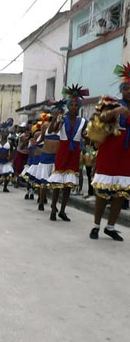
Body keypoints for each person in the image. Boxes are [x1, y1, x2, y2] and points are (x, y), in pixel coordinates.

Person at [89, 65, 130, 241]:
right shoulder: (113, 104)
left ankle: (111, 226)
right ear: (122, 90)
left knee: (120, 194)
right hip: (110, 151)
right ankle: (96, 225)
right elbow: (100, 119)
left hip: (126, 153)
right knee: (103, 192)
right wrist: (117, 111)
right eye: (127, 89)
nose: (129, 92)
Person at [48, 88, 88, 222]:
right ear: (68, 106)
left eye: (76, 105)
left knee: (68, 184)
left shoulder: (83, 122)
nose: (73, 107)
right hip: (63, 151)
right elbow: (52, 130)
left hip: (74, 152)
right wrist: (55, 119)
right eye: (71, 105)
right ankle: (53, 208)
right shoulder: (62, 118)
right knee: (58, 183)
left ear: (79, 107)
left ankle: (63, 210)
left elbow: (86, 136)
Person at [34, 109, 60, 211]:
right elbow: (44, 136)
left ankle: (54, 204)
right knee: (44, 182)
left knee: (55, 183)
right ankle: (41, 201)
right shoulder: (46, 127)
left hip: (56, 158)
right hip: (46, 157)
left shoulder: (61, 128)